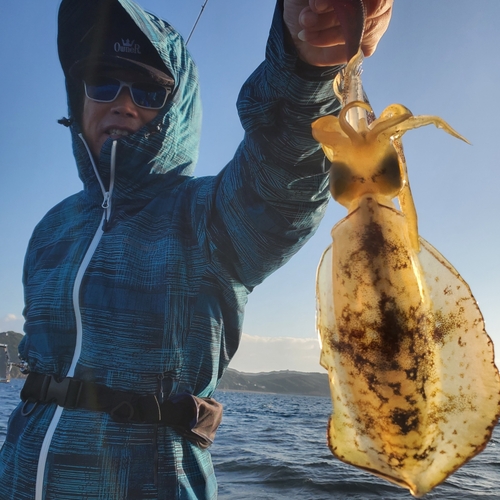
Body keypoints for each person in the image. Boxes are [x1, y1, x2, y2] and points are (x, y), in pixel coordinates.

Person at [0, 0, 392, 498]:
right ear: (78, 100)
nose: (123, 103)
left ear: (177, 110)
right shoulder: (50, 230)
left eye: (148, 91)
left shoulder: (212, 217)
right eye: (103, 83)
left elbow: (284, 171)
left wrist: (307, 66)